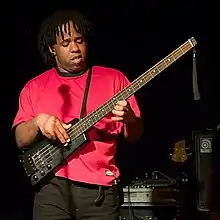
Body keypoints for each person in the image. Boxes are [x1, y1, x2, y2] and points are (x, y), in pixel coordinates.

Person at [12, 9, 143, 220]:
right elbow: (20, 139)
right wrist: (38, 121)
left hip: (100, 193)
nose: (75, 48)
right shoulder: (34, 87)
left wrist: (129, 119)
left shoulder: (114, 79)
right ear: (51, 49)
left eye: (79, 40)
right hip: (52, 191)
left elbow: (135, 135)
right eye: (65, 44)